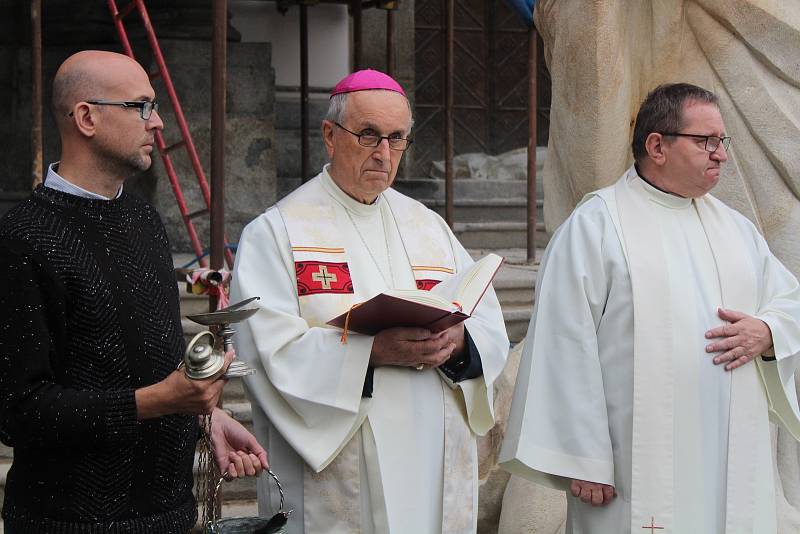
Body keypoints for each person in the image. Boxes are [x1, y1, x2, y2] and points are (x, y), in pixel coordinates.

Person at [499, 83, 800, 533]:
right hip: (630, 465)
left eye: (723, 142)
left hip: (731, 457)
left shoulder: (737, 230)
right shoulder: (597, 225)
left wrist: (769, 332)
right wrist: (583, 455)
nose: (722, 155)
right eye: (706, 141)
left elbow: (788, 300)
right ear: (657, 145)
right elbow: (563, 344)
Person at [231, 69, 509, 533]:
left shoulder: (429, 227)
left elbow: (487, 322)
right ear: (329, 136)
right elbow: (268, 352)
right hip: (344, 469)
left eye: (397, 138)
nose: (383, 152)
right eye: (368, 135)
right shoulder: (278, 232)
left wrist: (460, 345)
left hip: (433, 460)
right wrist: (371, 352)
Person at [0, 50, 267, 533]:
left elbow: (154, 362)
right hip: (68, 523)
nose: (159, 122)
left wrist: (206, 416)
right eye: (142, 106)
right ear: (87, 117)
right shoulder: (22, 238)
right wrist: (159, 401)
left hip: (168, 515)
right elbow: (19, 412)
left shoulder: (143, 219)